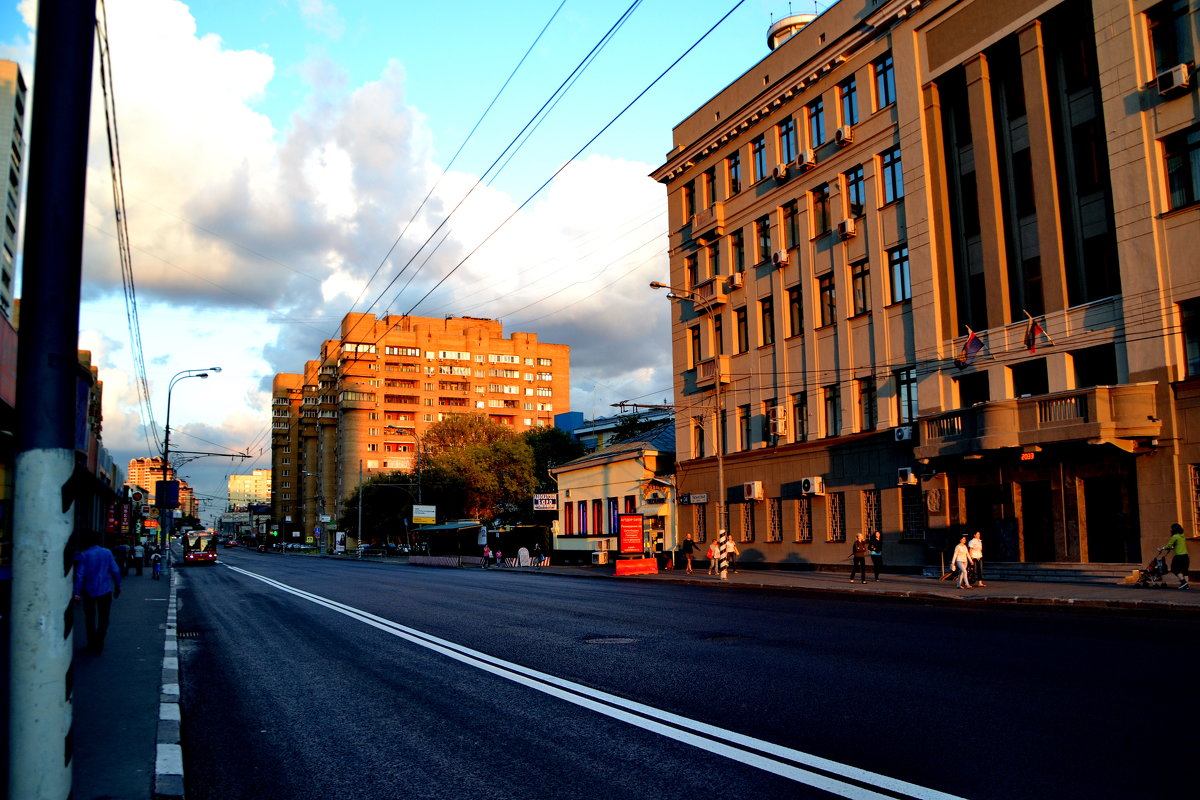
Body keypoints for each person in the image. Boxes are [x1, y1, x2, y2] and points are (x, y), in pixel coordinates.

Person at [73, 531, 122, 653]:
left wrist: (77, 593)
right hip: (105, 591)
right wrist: (117, 586)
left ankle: (91, 642)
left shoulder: (85, 555)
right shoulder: (107, 553)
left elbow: (79, 575)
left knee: (89, 618)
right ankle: (100, 641)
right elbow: (115, 570)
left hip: (88, 591)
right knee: (104, 617)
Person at [1162, 522, 1190, 590]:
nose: (1170, 530)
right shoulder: (1182, 536)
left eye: (1171, 529)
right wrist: (1172, 547)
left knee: (1174, 568)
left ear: (1174, 529)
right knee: (1185, 571)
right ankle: (1186, 585)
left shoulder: (1175, 536)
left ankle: (1183, 582)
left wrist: (1162, 548)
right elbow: (1177, 545)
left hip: (1179, 556)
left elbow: (1169, 545)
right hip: (1186, 556)